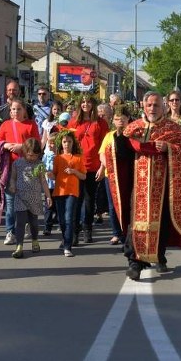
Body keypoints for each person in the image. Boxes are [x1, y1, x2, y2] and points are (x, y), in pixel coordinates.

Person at [105, 92, 181, 280]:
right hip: (137, 187)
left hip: (163, 187)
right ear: (143, 106)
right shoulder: (134, 127)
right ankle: (134, 263)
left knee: (161, 224)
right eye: (149, 105)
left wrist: (169, 149)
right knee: (135, 225)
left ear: (163, 107)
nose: (153, 109)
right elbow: (119, 155)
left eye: (156, 105)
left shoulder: (172, 128)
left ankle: (160, 256)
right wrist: (120, 136)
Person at [0, 98, 41, 246]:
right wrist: (7, 145)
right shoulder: (6, 125)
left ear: (24, 111)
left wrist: (22, 146)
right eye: (13, 109)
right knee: (10, 202)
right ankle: (10, 231)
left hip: (27, 168)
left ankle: (26, 223)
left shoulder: (31, 125)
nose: (15, 112)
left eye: (18, 109)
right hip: (10, 168)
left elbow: (37, 145)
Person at [72, 94, 109, 245]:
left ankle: (87, 228)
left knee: (89, 200)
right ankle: (74, 231)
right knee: (76, 200)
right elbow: (67, 142)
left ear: (93, 104)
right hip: (76, 167)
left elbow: (105, 146)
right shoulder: (74, 121)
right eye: (83, 102)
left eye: (88, 102)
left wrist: (103, 167)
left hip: (93, 166)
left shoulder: (101, 123)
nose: (85, 104)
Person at [9, 138, 52, 258]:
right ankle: (19, 246)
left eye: (35, 155)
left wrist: (48, 196)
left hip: (34, 198)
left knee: (33, 222)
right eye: (30, 155)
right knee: (20, 222)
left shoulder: (39, 164)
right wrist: (12, 185)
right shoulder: (17, 163)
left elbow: (43, 181)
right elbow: (13, 177)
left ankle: (35, 240)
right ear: (24, 152)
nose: (32, 158)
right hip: (20, 196)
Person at [97, 105, 133, 245]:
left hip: (128, 174)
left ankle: (128, 231)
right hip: (111, 175)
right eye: (117, 119)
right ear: (113, 121)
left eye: (123, 119)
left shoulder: (133, 134)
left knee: (126, 203)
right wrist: (108, 167)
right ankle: (116, 233)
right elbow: (101, 154)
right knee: (113, 205)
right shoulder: (109, 136)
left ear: (128, 119)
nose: (120, 122)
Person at [49, 130, 86, 256]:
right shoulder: (58, 158)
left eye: (69, 142)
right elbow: (54, 175)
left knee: (69, 218)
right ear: (61, 143)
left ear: (73, 143)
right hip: (59, 191)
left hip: (72, 192)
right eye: (64, 142)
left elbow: (84, 176)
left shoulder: (78, 157)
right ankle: (65, 240)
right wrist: (49, 175)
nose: (67, 144)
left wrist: (74, 171)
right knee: (62, 220)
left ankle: (67, 246)